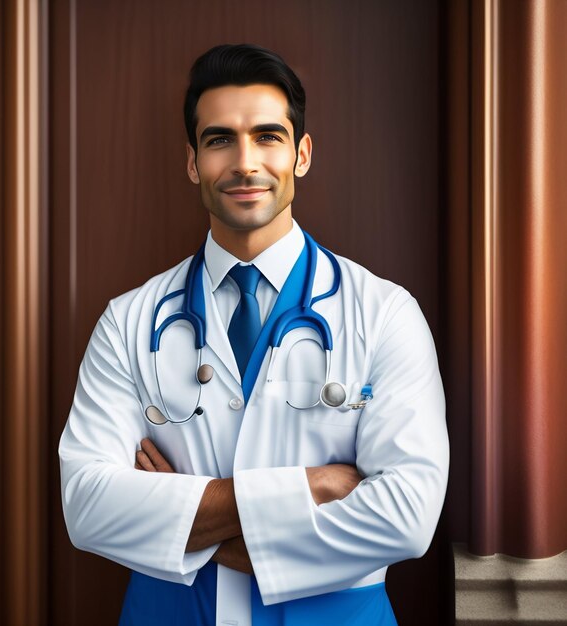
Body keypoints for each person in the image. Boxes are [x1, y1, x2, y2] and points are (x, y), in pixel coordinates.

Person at [59, 43, 449, 626]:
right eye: (219, 139)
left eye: (268, 136)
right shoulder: (128, 321)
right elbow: (88, 507)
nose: (245, 162)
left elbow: (407, 517)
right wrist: (311, 486)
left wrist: (191, 520)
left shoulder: (385, 313)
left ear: (302, 154)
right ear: (193, 161)